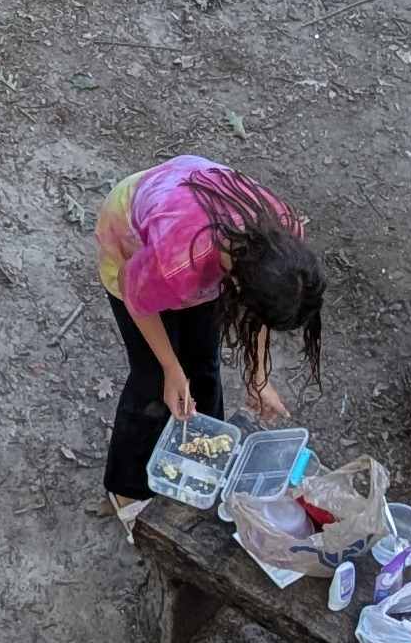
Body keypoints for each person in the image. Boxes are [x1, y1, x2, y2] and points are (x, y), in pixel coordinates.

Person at [95, 160, 324, 510]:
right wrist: (171, 369)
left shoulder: (282, 242)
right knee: (153, 380)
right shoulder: (177, 262)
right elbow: (137, 300)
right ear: (237, 285)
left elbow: (261, 306)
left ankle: (201, 456)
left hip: (193, 240)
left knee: (203, 363)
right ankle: (126, 492)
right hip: (133, 244)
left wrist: (259, 376)